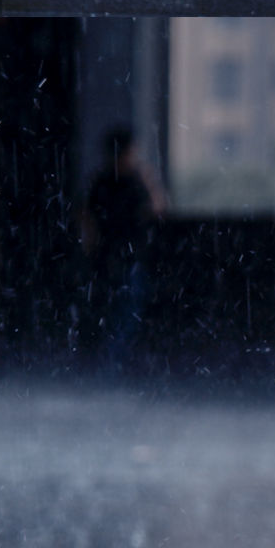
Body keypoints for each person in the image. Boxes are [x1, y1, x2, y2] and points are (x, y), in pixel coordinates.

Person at [81, 127, 161, 371]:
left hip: (117, 258)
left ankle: (110, 364)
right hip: (119, 259)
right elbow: (158, 208)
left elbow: (87, 220)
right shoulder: (125, 182)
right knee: (123, 314)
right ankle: (110, 365)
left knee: (121, 314)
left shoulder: (105, 181)